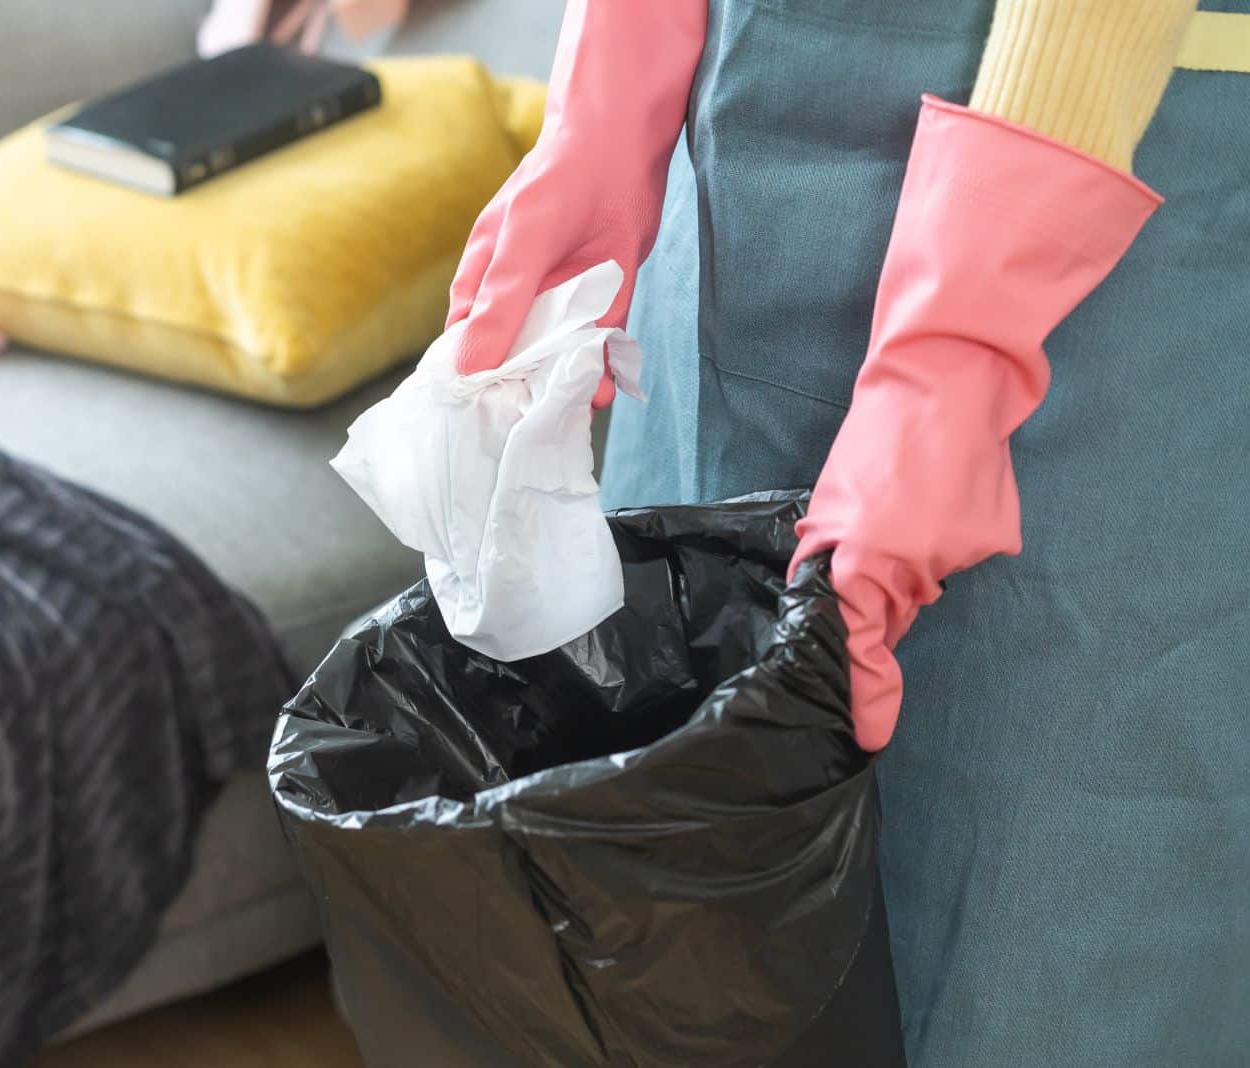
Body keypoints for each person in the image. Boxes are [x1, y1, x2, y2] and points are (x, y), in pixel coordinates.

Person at [445, 0, 1247, 1063]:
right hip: (737, 138)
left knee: (1038, 967)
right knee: (691, 927)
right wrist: (607, 89)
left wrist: (956, 357)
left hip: (1095, 188)